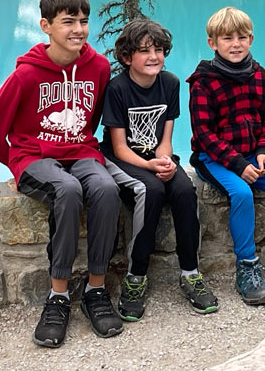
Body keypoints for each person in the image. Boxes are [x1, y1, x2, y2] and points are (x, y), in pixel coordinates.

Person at [0, 0, 123, 348]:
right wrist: (14, 165)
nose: (78, 30)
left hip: (82, 152)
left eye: (84, 21)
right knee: (67, 191)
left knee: (105, 189)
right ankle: (58, 297)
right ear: (46, 25)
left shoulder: (99, 67)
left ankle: (96, 291)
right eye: (68, 21)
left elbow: (94, 118)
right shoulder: (26, 76)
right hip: (34, 158)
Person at [101, 19, 219, 320]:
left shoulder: (170, 83)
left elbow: (165, 139)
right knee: (150, 190)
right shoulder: (117, 88)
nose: (153, 56)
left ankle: (190, 272)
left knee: (183, 190)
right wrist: (150, 167)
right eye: (144, 51)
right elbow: (119, 148)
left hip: (155, 156)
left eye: (158, 49)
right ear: (127, 58)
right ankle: (136, 277)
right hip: (124, 160)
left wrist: (165, 162)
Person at [188, 6, 265, 305]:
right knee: (241, 192)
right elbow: (204, 134)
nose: (235, 44)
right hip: (213, 160)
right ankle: (247, 267)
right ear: (213, 43)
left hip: (253, 155)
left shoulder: (259, 74)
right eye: (227, 38)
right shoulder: (203, 82)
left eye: (242, 37)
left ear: (251, 39)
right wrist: (239, 165)